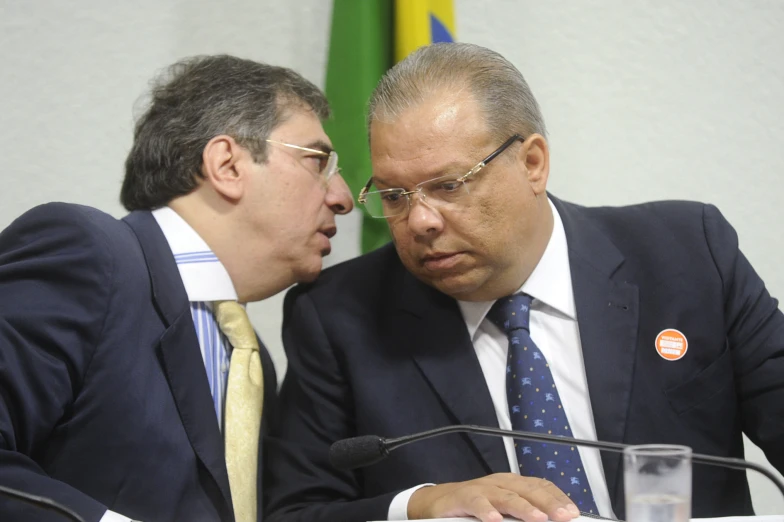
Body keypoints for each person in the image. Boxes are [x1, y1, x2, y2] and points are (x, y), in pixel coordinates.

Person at [264, 42, 784, 522]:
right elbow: (296, 511)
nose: (420, 221)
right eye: (395, 196)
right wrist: (420, 505)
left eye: (448, 186)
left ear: (533, 163)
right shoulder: (340, 315)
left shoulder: (686, 255)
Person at [0, 55, 353, 522]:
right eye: (318, 161)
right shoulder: (89, 254)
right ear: (227, 164)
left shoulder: (251, 360)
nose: (344, 197)